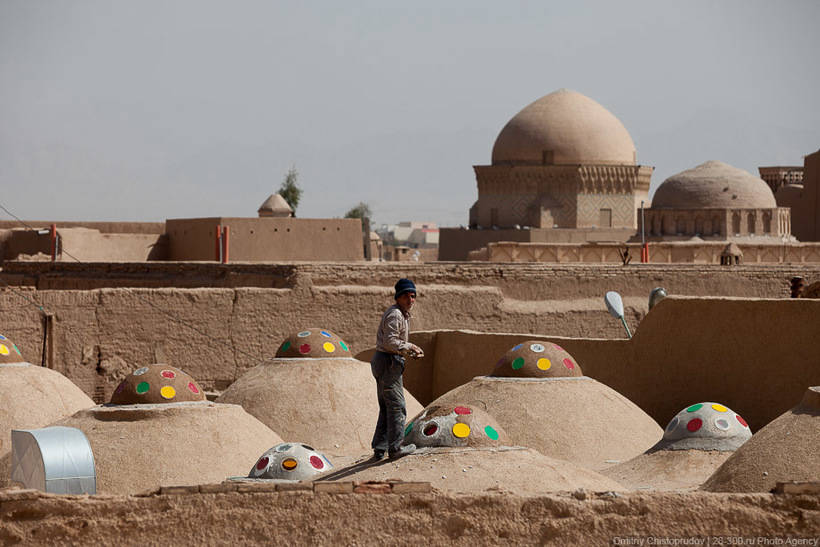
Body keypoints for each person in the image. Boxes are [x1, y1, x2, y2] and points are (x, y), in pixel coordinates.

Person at [370, 278, 424, 460]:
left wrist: (409, 349)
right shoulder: (395, 315)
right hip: (388, 362)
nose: (411, 300)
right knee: (396, 407)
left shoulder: (402, 314)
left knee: (386, 406)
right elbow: (390, 342)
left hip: (386, 361)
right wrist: (409, 347)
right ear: (398, 297)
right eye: (407, 296)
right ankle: (396, 448)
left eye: (413, 296)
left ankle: (380, 447)